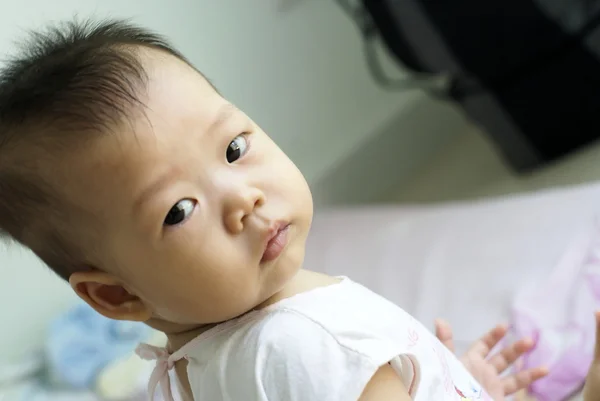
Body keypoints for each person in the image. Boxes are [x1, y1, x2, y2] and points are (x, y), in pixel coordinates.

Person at [0, 18, 589, 401]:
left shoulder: (184, 374)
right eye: (179, 210)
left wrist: (459, 383)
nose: (244, 198)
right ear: (116, 297)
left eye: (233, 149)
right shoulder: (308, 344)